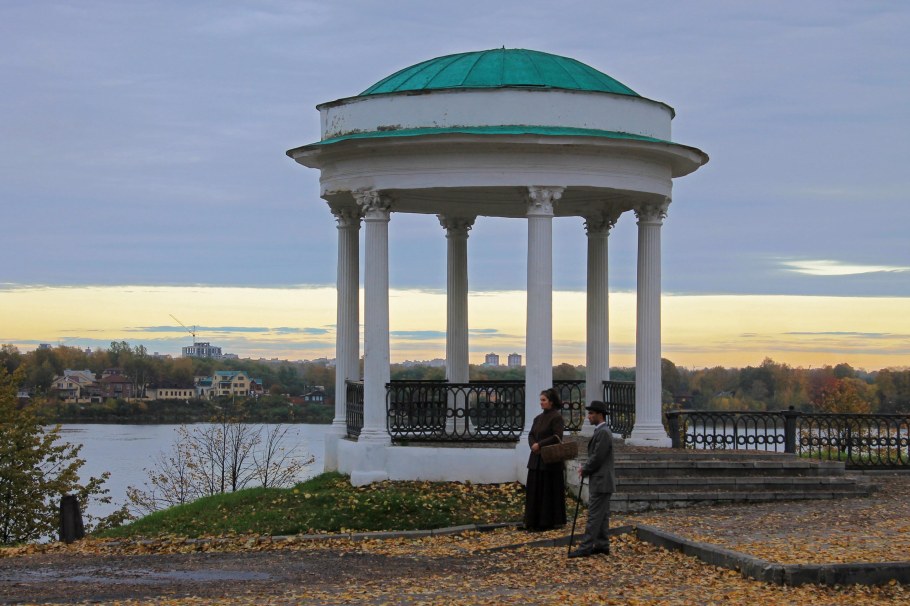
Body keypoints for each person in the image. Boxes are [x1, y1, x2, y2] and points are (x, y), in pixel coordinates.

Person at [569, 400, 615, 557]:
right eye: (589, 413)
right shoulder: (601, 431)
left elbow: (597, 456)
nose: (588, 416)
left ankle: (586, 547)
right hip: (602, 479)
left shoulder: (603, 432)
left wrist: (585, 469)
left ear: (600, 415)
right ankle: (602, 545)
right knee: (602, 515)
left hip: (601, 480)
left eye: (591, 413)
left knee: (594, 515)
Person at [524, 388, 567, 531]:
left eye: (544, 400)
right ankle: (533, 521)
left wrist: (540, 444)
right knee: (535, 491)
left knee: (547, 491)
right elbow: (531, 434)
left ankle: (548, 521)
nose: (541, 403)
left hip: (549, 461)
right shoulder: (538, 418)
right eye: (540, 400)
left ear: (551, 402)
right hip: (536, 459)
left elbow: (557, 436)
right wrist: (533, 445)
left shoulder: (556, 418)